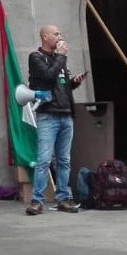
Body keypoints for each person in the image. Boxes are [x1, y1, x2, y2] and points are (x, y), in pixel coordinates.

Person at [25, 25, 85, 217]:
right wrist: (61, 56)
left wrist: (73, 82)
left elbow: (59, 84)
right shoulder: (36, 57)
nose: (60, 36)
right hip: (48, 114)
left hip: (65, 113)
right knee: (43, 160)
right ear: (44, 37)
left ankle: (63, 198)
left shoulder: (59, 60)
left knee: (64, 160)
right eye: (56, 34)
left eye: (60, 32)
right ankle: (37, 200)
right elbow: (48, 76)